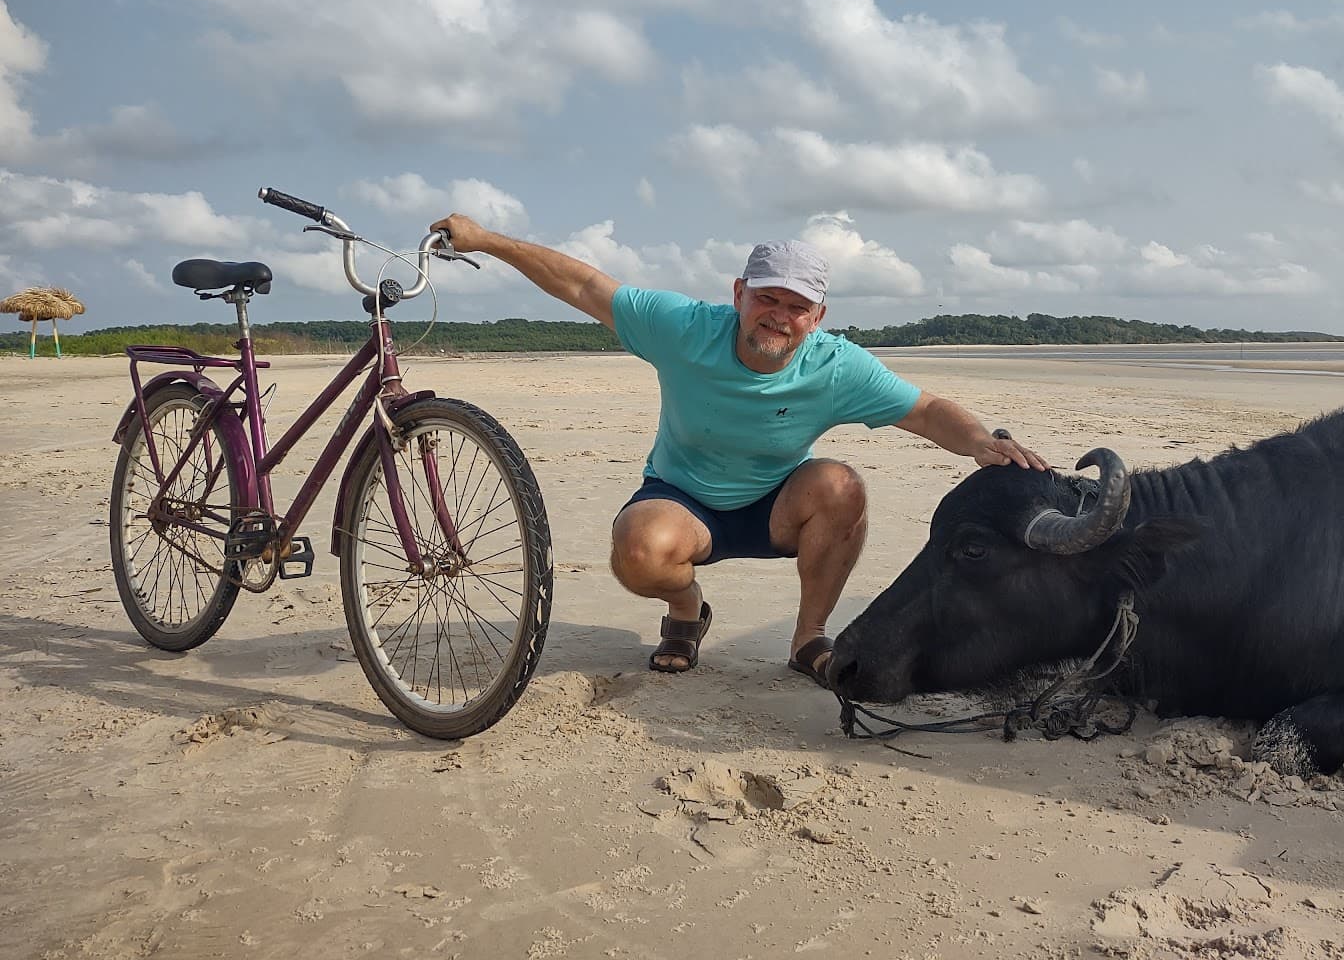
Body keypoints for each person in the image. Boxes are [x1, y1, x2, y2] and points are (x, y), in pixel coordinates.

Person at [428, 214, 1048, 686]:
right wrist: (488, 241)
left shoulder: (836, 366)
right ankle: (685, 608)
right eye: (768, 299)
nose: (779, 316)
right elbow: (586, 287)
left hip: (777, 504)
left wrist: (981, 443)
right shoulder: (682, 327)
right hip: (682, 500)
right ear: (739, 295)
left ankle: (809, 639)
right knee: (637, 551)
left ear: (818, 316)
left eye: (797, 306)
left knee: (842, 485)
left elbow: (924, 409)